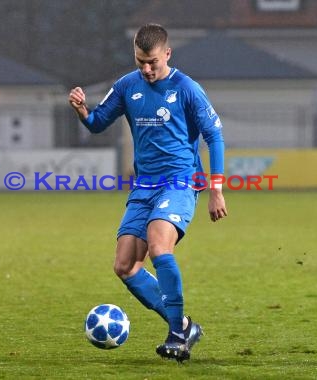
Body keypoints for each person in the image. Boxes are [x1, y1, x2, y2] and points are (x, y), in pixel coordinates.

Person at [68, 24, 227, 362]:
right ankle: (184, 325)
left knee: (158, 244)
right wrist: (82, 110)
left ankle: (176, 335)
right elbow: (98, 123)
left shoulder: (187, 89)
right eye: (140, 61)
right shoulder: (127, 86)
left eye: (152, 62)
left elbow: (214, 137)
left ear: (167, 54)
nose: (146, 69)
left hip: (180, 182)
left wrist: (216, 190)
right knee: (125, 265)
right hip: (144, 187)